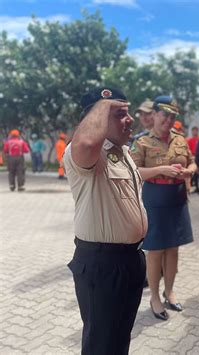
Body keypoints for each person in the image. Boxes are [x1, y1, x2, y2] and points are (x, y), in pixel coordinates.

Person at [63, 87, 147, 354]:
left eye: (128, 112)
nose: (130, 119)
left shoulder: (121, 152)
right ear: (95, 118)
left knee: (118, 339)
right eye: (119, 114)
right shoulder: (85, 153)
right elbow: (86, 142)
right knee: (101, 345)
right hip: (103, 265)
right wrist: (104, 103)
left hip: (130, 259)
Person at [131, 95, 196, 321]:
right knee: (156, 251)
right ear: (154, 114)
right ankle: (155, 297)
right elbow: (134, 171)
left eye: (172, 116)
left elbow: (193, 161)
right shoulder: (142, 142)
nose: (168, 119)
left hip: (177, 198)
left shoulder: (180, 139)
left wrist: (189, 171)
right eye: (164, 114)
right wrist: (161, 171)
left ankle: (170, 291)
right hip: (155, 199)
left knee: (173, 249)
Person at [187, 126, 199, 193]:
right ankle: (194, 186)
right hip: (193, 157)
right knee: (193, 173)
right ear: (192, 132)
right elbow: (188, 149)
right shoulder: (189, 140)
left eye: (196, 130)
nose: (195, 132)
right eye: (193, 131)